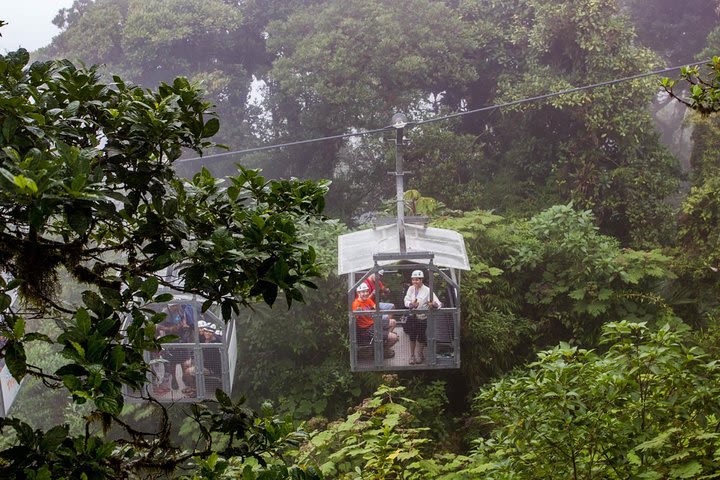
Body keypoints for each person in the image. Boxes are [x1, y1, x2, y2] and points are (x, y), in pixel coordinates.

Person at [403, 270, 441, 365]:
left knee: (421, 337)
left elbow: (438, 303)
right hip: (413, 317)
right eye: (413, 280)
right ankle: (412, 355)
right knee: (412, 337)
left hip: (422, 318)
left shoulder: (427, 290)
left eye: (417, 280)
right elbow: (406, 300)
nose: (415, 282)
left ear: (421, 280)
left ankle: (419, 354)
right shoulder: (411, 289)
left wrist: (435, 305)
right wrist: (410, 304)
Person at [352, 282, 398, 355]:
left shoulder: (367, 300)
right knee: (394, 337)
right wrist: (358, 313)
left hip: (374, 323)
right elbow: (354, 318)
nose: (366, 293)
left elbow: (375, 307)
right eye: (363, 292)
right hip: (367, 329)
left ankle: (381, 345)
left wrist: (374, 311)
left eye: (367, 291)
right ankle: (380, 351)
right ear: (358, 293)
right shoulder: (356, 304)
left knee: (393, 322)